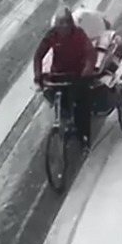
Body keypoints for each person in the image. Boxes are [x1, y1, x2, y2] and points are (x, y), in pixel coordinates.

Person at [33, 8, 97, 151]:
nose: (64, 29)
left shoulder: (79, 35)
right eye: (60, 25)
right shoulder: (51, 36)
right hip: (59, 75)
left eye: (66, 25)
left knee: (82, 106)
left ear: (71, 24)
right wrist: (38, 76)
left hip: (77, 74)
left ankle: (85, 137)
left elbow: (90, 54)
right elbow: (38, 55)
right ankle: (64, 121)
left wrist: (87, 70)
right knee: (55, 97)